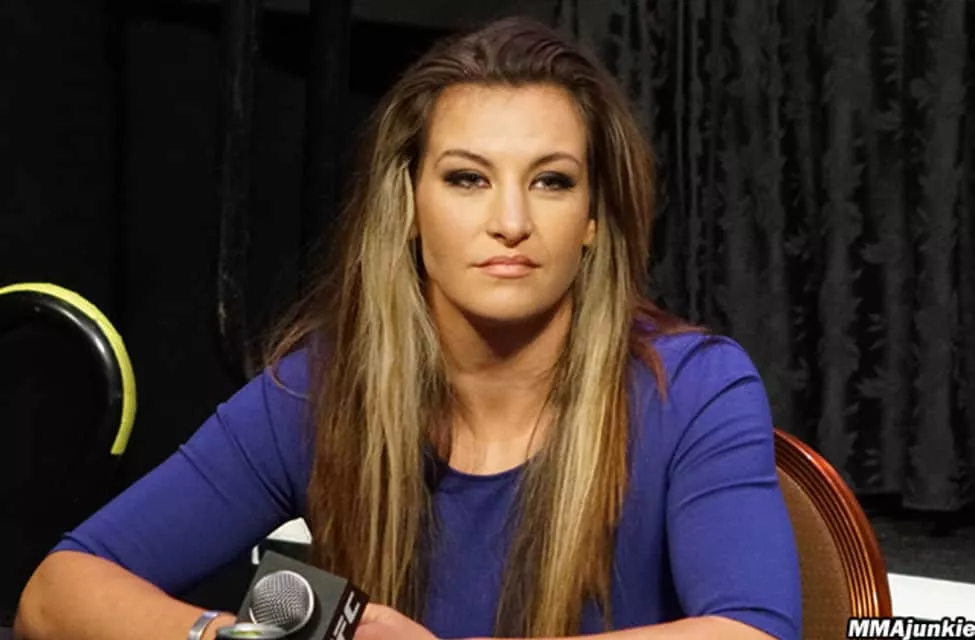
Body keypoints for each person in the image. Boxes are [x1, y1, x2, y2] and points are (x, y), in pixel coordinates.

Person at [14, 15, 802, 640]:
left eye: (551, 181)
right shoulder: (318, 389)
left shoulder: (694, 387)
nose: (511, 221)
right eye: (467, 178)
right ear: (410, 208)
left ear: (593, 218)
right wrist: (236, 638)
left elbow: (752, 631)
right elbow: (55, 594)